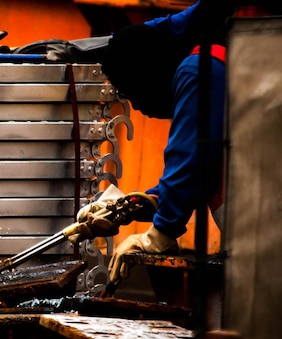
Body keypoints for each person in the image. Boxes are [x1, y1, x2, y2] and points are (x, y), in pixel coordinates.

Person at [80, 0, 232, 292]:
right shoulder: (214, 46)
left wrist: (160, 233)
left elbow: (189, 159)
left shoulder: (200, 69)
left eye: (131, 93)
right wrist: (132, 205)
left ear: (147, 71)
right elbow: (202, 171)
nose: (138, 107)